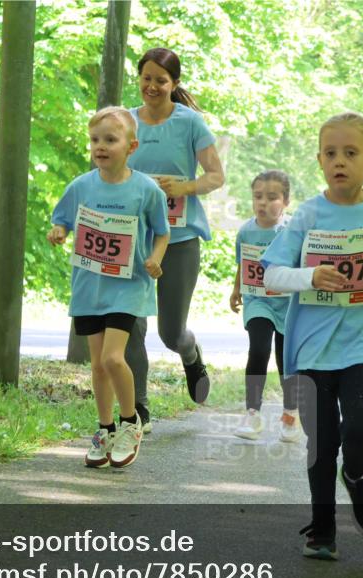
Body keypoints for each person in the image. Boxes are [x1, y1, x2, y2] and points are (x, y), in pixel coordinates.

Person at [260, 112, 363, 561]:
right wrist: (311, 277)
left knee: (361, 425)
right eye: (331, 153)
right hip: (312, 344)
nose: (340, 161)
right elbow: (272, 275)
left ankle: (356, 478)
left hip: (361, 341)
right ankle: (323, 528)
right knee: (321, 441)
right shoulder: (308, 213)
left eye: (350, 153)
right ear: (319, 160)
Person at [48, 107, 170, 468]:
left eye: (110, 140)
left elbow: (163, 232)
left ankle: (130, 423)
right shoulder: (82, 185)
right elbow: (62, 218)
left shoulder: (146, 190)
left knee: (113, 358)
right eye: (95, 140)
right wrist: (59, 231)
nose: (100, 146)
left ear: (131, 146)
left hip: (128, 285)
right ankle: (104, 429)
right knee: (98, 366)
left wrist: (156, 258)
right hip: (89, 286)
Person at [121, 47, 225, 431]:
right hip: (133, 235)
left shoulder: (190, 123)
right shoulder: (126, 121)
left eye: (160, 80)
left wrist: (184, 186)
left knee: (169, 331)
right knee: (131, 323)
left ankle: (190, 352)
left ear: (174, 83)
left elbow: (216, 175)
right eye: (146, 78)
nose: (152, 86)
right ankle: (138, 409)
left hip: (179, 238)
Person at [229, 170, 302, 442]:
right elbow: (244, 263)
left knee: (287, 361)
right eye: (257, 196)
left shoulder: (291, 230)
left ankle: (290, 416)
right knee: (258, 349)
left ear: (286, 201)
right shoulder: (246, 230)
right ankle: (252, 414)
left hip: (288, 303)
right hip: (258, 300)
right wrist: (236, 289)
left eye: (272, 197)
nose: (263, 203)